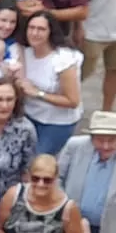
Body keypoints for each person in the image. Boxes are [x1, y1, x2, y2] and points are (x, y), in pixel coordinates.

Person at [17, 11, 84, 156]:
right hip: (29, 116)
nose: (35, 33)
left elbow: (72, 101)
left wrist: (38, 93)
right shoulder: (24, 53)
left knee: (37, 161)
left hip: (56, 122)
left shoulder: (64, 59)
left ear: (50, 32)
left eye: (41, 29)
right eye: (31, 28)